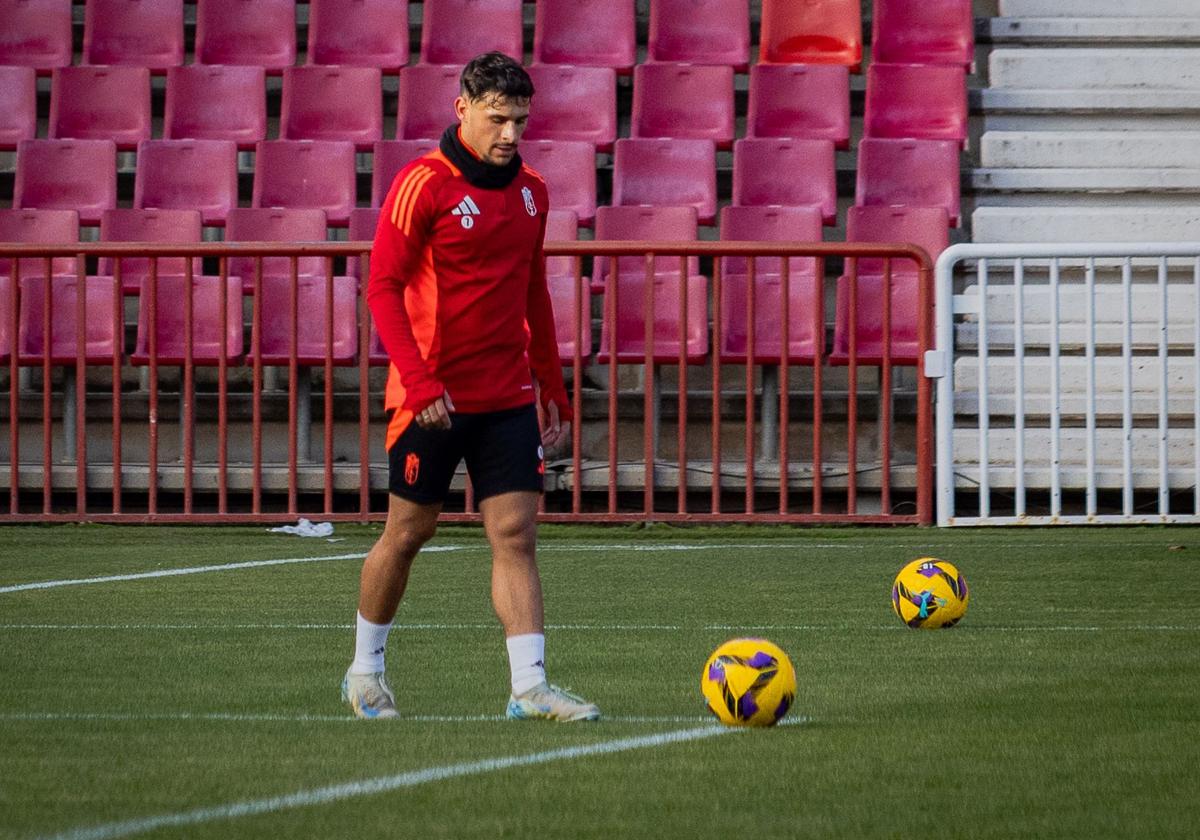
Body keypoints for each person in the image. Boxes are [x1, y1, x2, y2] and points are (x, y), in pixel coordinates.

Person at [341, 52, 599, 722]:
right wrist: (420, 380)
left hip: (507, 394)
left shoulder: (533, 192)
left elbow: (532, 290)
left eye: (519, 119)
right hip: (431, 399)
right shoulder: (421, 184)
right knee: (409, 531)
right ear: (463, 107)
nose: (510, 133)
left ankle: (530, 688)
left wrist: (552, 382)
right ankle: (365, 673)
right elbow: (382, 288)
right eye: (498, 117)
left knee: (516, 534)